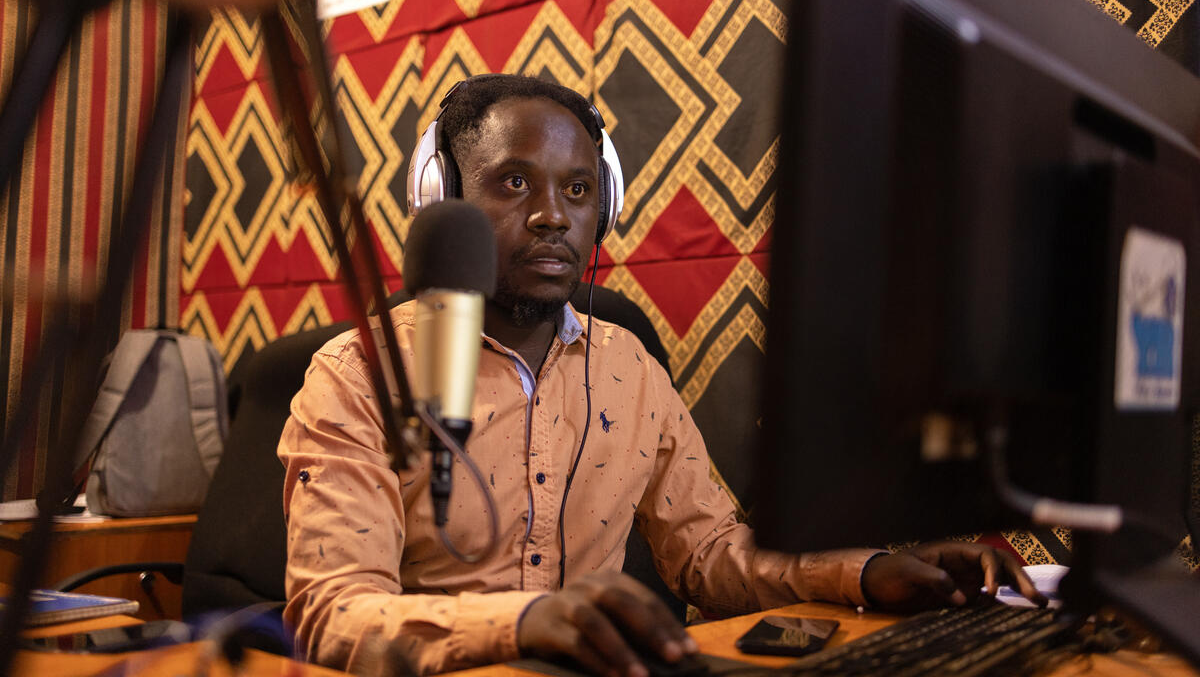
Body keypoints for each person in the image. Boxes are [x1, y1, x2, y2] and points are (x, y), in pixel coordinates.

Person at [278, 74, 1043, 677]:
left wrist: (872, 572)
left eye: (578, 190)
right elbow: (333, 613)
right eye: (514, 184)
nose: (553, 216)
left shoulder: (626, 366)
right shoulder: (361, 374)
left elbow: (711, 555)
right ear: (442, 200)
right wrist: (523, 622)